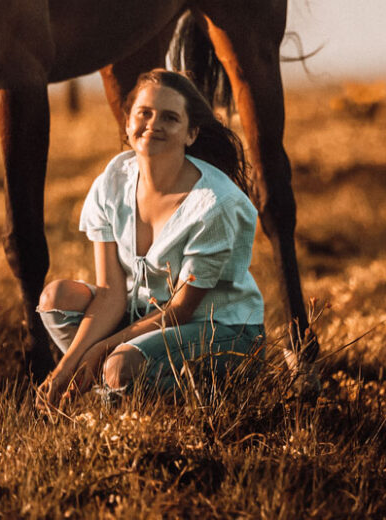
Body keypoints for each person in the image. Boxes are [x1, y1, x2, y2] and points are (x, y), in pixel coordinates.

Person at [36, 69, 265, 409]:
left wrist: (102, 349)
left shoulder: (215, 203)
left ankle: (212, 398)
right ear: (128, 122)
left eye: (170, 118)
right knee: (56, 298)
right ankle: (113, 391)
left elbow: (180, 310)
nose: (153, 124)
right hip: (146, 318)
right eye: (144, 113)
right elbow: (111, 293)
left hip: (221, 330)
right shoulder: (112, 182)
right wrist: (65, 367)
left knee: (119, 364)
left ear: (191, 133)